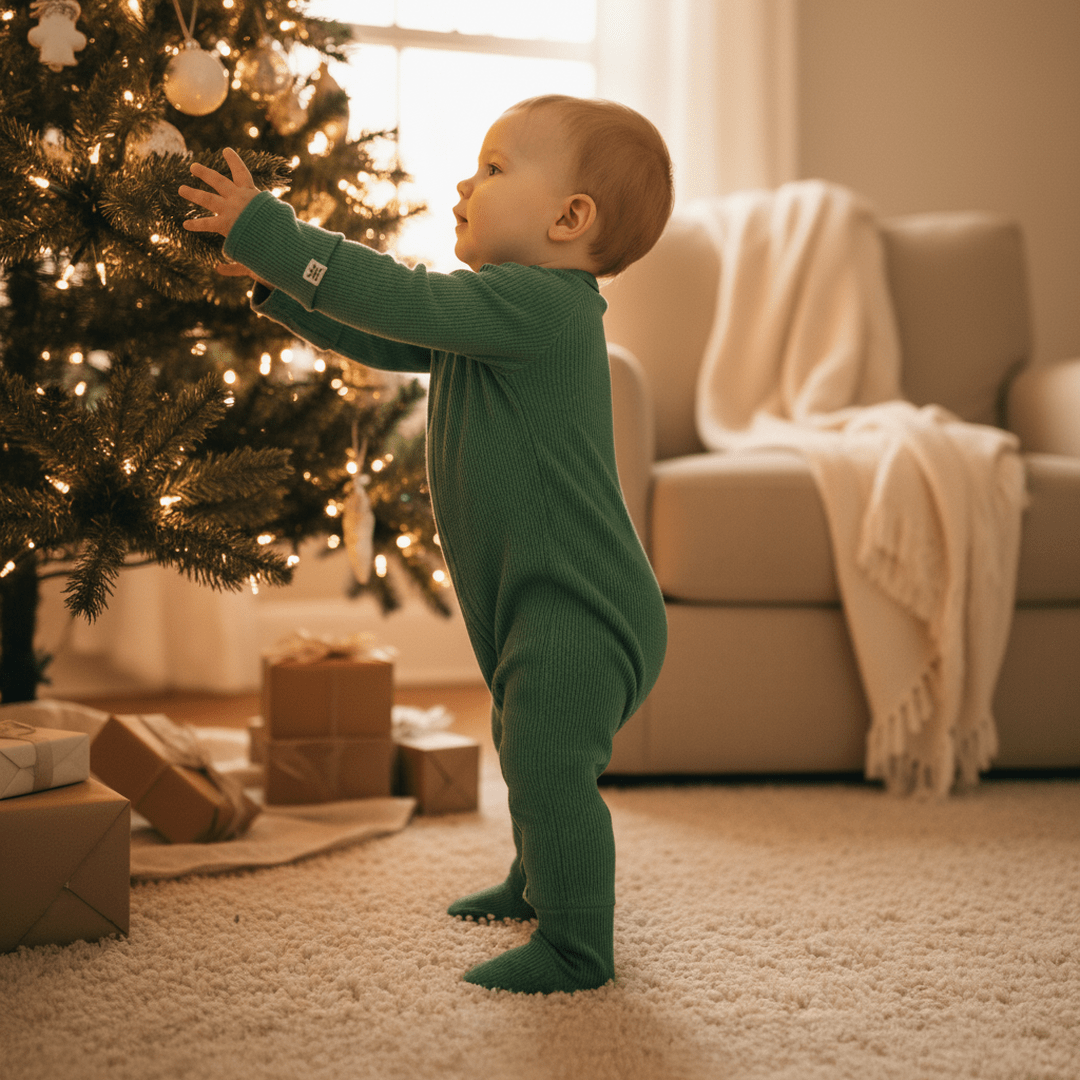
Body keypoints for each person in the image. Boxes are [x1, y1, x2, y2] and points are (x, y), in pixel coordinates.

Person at [179, 94, 673, 994]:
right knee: (525, 742)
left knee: (547, 758)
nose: (464, 182)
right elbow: (383, 329)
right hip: (538, 592)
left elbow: (400, 296)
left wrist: (275, 235)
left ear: (570, 219)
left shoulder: (544, 306)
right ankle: (536, 881)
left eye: (492, 169)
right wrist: (274, 282)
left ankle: (575, 945)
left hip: (584, 604)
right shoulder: (489, 322)